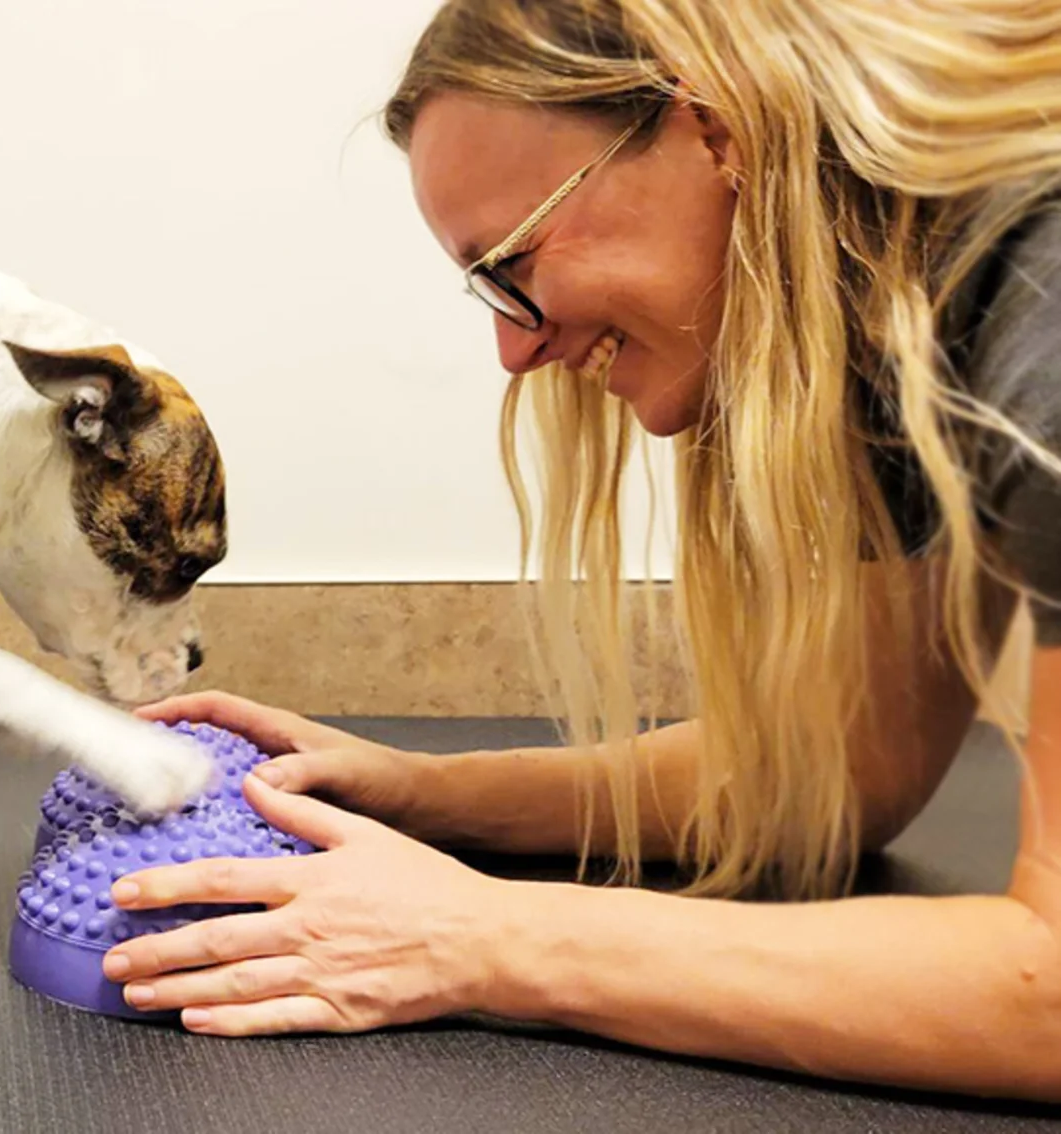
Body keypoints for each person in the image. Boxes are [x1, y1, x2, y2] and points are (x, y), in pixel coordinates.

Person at [108, 0, 1061, 1101]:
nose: (515, 350)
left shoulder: (1041, 294)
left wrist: (487, 939)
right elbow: (841, 774)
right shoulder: (897, 324)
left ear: (715, 130)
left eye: (514, 263)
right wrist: (422, 796)